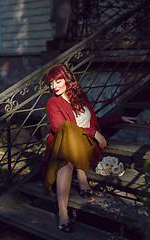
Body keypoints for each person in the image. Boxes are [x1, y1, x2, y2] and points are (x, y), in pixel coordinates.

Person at [39, 65, 137, 233]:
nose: (53, 86)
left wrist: (120, 118)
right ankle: (64, 211)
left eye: (58, 81)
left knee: (72, 151)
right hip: (63, 147)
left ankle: (80, 175)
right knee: (67, 157)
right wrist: (94, 133)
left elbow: (93, 121)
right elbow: (60, 128)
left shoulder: (81, 98)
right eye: (51, 83)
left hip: (85, 145)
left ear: (67, 80)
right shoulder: (53, 102)